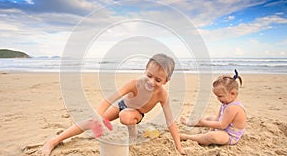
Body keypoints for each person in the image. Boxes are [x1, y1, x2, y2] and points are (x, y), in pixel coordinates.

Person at [38, 53, 186, 155]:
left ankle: (132, 134)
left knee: (126, 116)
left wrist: (178, 147)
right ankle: (54, 140)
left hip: (135, 114)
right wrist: (97, 117)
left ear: (166, 81)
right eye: (149, 76)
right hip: (121, 105)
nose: (151, 82)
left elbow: (170, 121)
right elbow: (108, 100)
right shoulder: (134, 84)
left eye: (158, 80)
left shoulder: (162, 95)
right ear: (145, 71)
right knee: (92, 121)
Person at [180, 69, 246, 146]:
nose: (218, 99)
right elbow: (217, 119)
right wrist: (211, 129)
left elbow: (222, 125)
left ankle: (187, 137)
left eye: (220, 96)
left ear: (232, 93)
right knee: (210, 118)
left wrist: (205, 124)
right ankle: (190, 123)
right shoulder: (225, 103)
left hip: (230, 135)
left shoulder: (233, 107)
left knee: (212, 137)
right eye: (217, 96)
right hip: (224, 128)